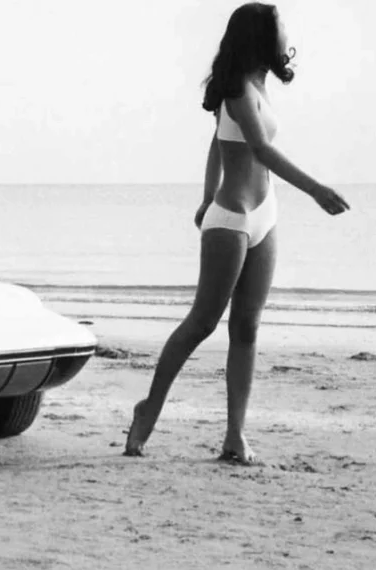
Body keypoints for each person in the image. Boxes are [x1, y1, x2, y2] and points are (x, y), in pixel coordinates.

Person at [123, 2, 350, 464]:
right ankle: (149, 408)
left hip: (265, 216)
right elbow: (261, 150)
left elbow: (217, 141)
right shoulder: (238, 90)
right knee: (202, 324)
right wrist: (315, 190)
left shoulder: (257, 84)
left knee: (247, 327)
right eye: (280, 29)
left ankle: (235, 436)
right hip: (231, 220)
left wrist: (205, 194)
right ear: (259, 37)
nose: (286, 38)